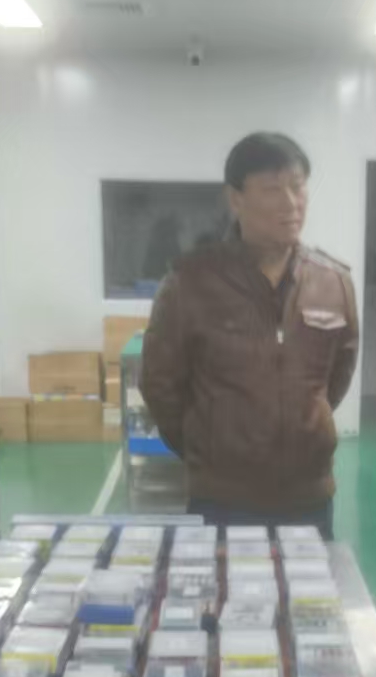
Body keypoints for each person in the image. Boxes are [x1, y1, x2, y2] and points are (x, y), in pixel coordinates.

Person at [140, 132, 358, 538]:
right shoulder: (191, 281)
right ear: (235, 199)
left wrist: (304, 427)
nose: (291, 203)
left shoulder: (333, 281)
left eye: (298, 186)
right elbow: (160, 384)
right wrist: (207, 448)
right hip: (221, 500)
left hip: (309, 498)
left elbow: (336, 377)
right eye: (272, 189)